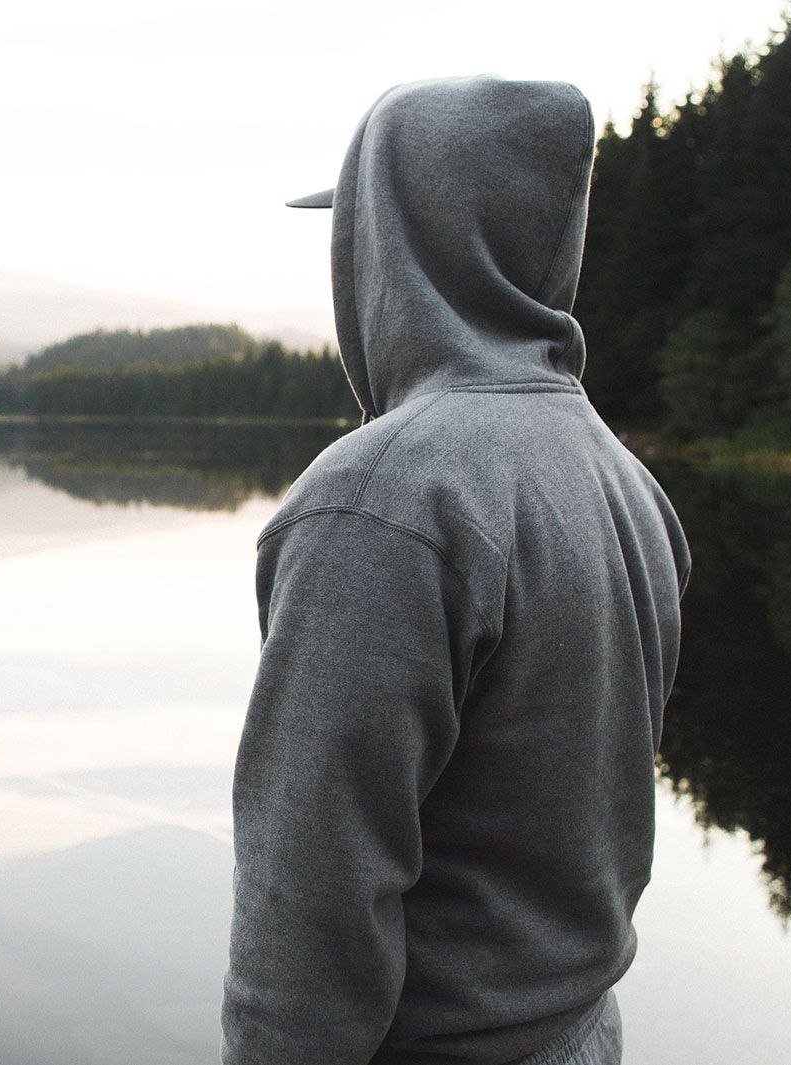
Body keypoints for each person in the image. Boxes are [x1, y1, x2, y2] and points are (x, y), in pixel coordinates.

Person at [220, 75, 691, 1065]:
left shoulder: (382, 497)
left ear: (394, 248)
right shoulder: (620, 476)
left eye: (355, 232)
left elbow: (308, 906)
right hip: (580, 1034)